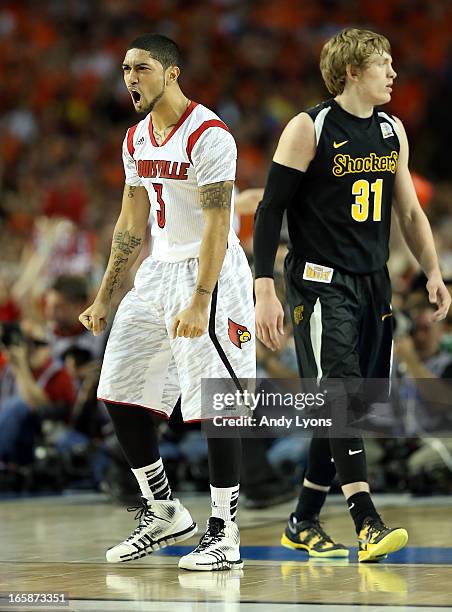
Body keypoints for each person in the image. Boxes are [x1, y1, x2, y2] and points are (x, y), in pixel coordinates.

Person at [253, 27, 451, 562]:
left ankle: (303, 519)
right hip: (319, 280)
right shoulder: (309, 126)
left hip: (374, 281)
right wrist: (264, 287)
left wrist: (432, 270)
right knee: (338, 394)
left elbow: (408, 211)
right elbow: (270, 210)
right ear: (351, 73)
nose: (393, 73)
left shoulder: (391, 130)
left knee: (353, 406)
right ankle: (367, 520)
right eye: (383, 64)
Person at [79, 34, 255, 571]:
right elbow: (131, 224)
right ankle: (164, 511)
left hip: (212, 272)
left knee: (218, 401)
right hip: (156, 274)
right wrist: (105, 296)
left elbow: (217, 223)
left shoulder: (209, 134)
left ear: (172, 73)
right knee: (119, 389)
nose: (130, 77)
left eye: (143, 67)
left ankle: (225, 531)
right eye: (126, 68)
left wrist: (201, 298)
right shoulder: (133, 139)